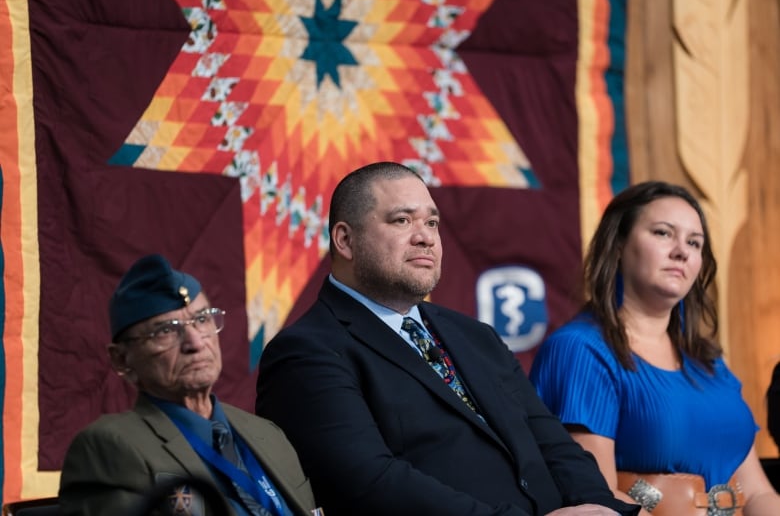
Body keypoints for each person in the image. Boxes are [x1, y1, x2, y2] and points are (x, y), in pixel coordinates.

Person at [255, 161, 639, 515]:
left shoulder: (475, 335)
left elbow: (553, 444)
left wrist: (597, 506)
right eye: (402, 220)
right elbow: (369, 484)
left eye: (432, 223)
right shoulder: (306, 351)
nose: (425, 238)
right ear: (344, 240)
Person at [529, 181, 780, 515]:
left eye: (695, 242)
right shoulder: (579, 350)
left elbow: (758, 493)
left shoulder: (708, 361)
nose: (682, 251)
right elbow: (596, 499)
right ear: (618, 244)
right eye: (663, 233)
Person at [59, 254, 319, 516]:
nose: (195, 342)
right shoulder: (111, 448)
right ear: (121, 359)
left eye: (202, 319)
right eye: (166, 330)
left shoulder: (269, 435)